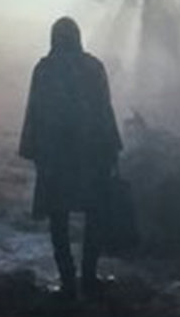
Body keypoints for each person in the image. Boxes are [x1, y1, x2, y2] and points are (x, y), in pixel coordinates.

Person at [19, 16, 122, 299]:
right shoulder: (93, 67)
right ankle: (88, 278)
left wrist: (34, 150)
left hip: (55, 157)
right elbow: (105, 111)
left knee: (58, 217)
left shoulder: (44, 70)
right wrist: (112, 149)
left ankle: (67, 281)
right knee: (95, 214)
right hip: (91, 155)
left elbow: (35, 113)